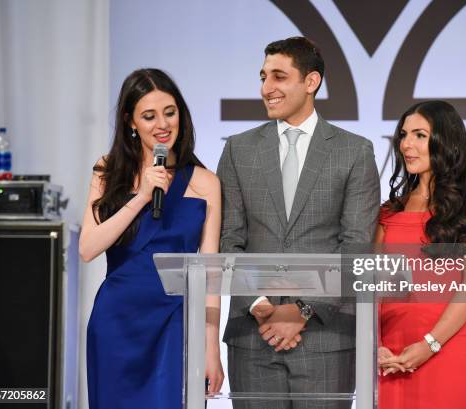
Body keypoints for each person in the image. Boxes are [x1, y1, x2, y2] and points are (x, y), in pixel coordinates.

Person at [217, 37, 380, 409]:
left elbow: (355, 246)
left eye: (278, 77)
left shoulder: (354, 151)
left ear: (311, 82)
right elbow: (229, 239)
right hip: (253, 336)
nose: (266, 89)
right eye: (262, 77)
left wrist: (302, 309)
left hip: (326, 337)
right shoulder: (238, 149)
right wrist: (260, 305)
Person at [79, 68, 224, 409]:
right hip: (117, 322)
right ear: (131, 122)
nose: (162, 124)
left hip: (176, 322)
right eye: (149, 116)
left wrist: (212, 346)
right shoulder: (107, 169)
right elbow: (87, 248)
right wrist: (141, 196)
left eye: (169, 112)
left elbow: (212, 273)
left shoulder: (205, 182)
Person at [376, 100, 466, 409]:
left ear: (445, 141)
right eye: (403, 135)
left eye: (419, 135)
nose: (406, 145)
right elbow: (371, 286)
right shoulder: (389, 211)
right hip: (389, 356)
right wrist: (373, 346)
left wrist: (430, 344)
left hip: (449, 350)